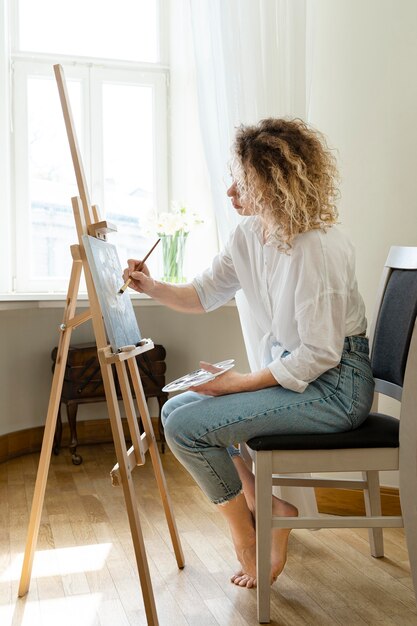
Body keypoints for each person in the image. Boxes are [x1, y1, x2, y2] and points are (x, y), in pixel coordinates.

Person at [122, 118, 375, 589]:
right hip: (310, 375)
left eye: (241, 181)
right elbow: (201, 294)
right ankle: (267, 504)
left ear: (273, 182)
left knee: (182, 424)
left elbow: (319, 355)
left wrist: (236, 384)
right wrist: (149, 285)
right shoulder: (249, 236)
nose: (230, 191)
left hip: (339, 386)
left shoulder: (316, 247)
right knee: (178, 407)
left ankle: (246, 540)